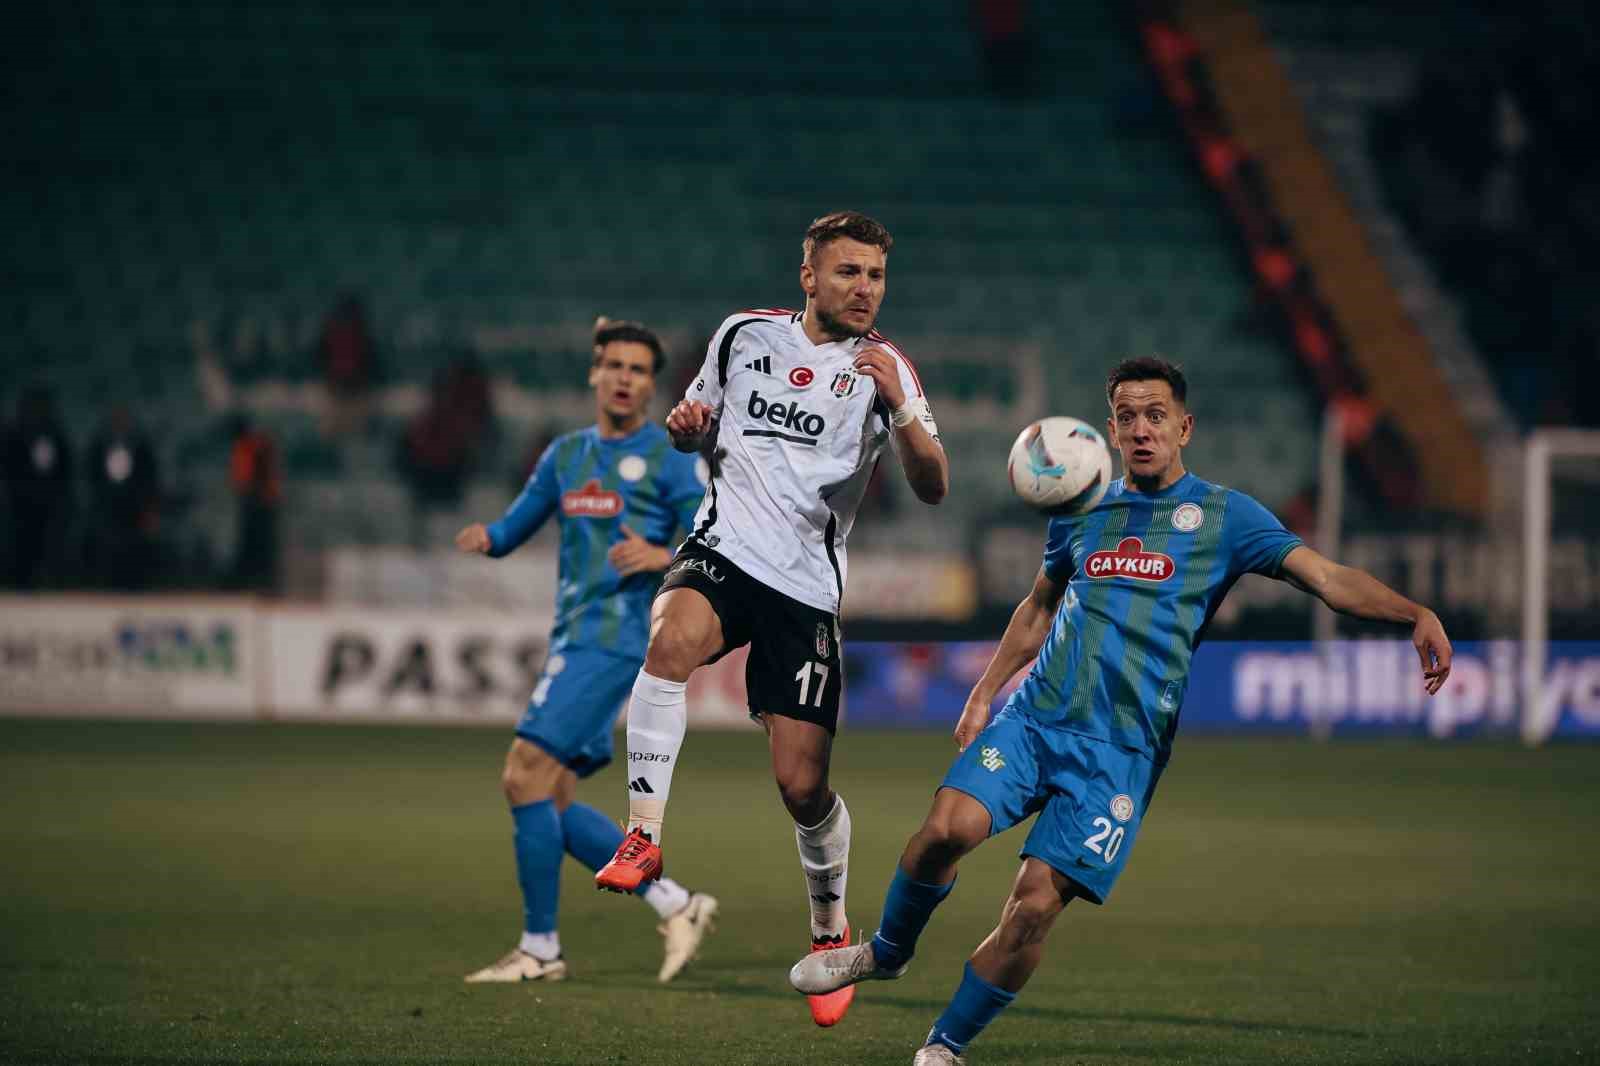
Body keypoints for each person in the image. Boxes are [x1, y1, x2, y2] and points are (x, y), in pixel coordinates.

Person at [789, 357, 1454, 1064]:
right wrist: (986, 691)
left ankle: (944, 1047)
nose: (1142, 429)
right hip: (1038, 719)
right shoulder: (1081, 504)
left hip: (1121, 750)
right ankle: (888, 952)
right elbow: (1040, 605)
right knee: (943, 830)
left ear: (1184, 426)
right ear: (1109, 429)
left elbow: (1325, 577)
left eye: (1156, 415)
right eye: (1129, 416)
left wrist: (1411, 612)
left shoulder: (1227, 518)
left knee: (1035, 906)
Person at [593, 212, 949, 1028]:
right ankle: (643, 833)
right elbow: (698, 424)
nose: (865, 289)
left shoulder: (887, 368)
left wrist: (897, 409)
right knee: (668, 642)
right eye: (849, 272)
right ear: (809, 277)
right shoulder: (741, 337)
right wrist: (690, 430)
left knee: (802, 785)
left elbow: (933, 484)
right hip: (722, 549)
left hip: (804, 588)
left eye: (876, 276)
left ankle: (830, 927)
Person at [455, 319, 718, 985]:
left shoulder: (668, 457)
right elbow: (517, 526)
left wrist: (662, 555)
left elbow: (711, 538)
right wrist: (488, 535)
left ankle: (540, 949)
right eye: (615, 365)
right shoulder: (565, 456)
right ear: (594, 374)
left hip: (621, 640)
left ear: (653, 386)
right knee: (554, 798)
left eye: (638, 369)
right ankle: (675, 902)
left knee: (522, 773)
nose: (625, 377)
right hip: (574, 636)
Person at [1, 386, 74, 589]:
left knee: (49, 548)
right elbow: (9, 469)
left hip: (50, 506)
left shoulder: (57, 436)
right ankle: (20, 585)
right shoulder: (14, 436)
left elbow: (64, 471)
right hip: (21, 505)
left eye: (42, 407)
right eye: (34, 406)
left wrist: (58, 498)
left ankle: (48, 585)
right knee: (21, 548)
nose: (38, 411)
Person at [226, 414, 282, 592]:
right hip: (254, 502)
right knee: (253, 546)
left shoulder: (255, 446)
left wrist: (256, 494)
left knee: (260, 546)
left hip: (260, 503)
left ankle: (262, 583)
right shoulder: (245, 446)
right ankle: (251, 582)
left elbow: (258, 477)